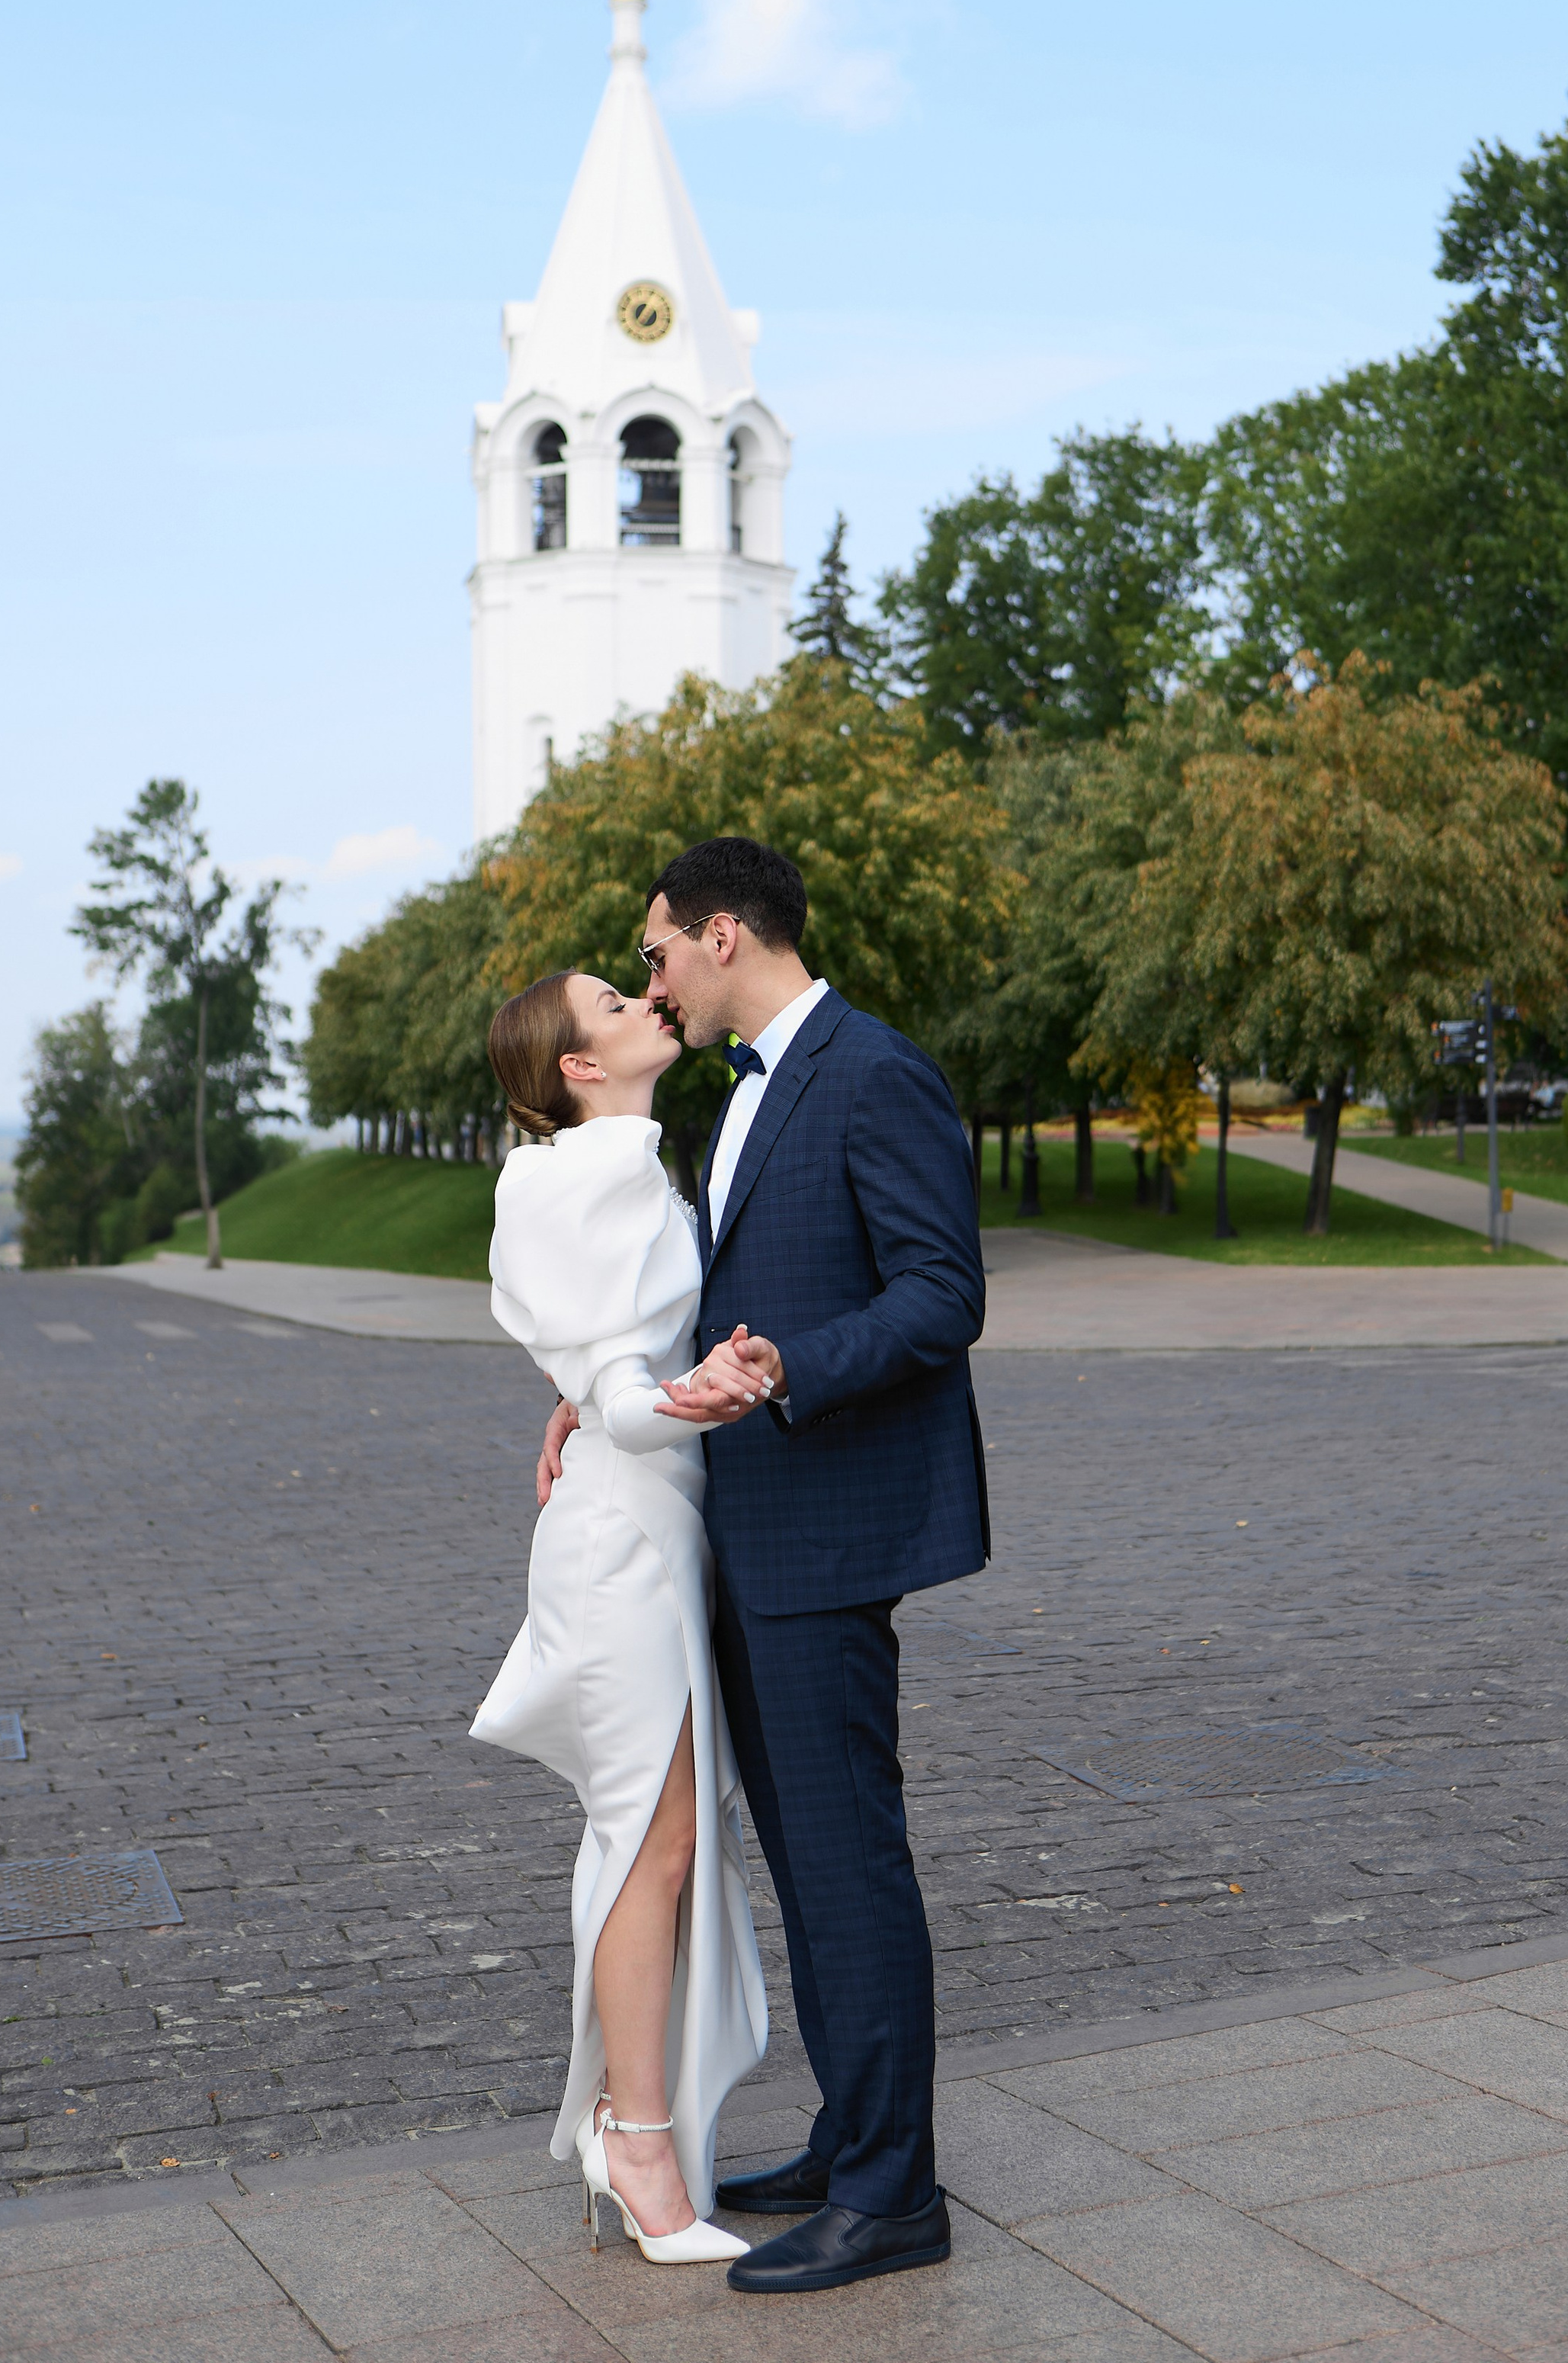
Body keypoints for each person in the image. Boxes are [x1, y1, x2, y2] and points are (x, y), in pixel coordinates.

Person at [537, 835, 989, 2297]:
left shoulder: (873, 1069)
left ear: (722, 934)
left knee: (849, 1864)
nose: (654, 976)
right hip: (748, 1533)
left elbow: (943, 1292)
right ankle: (854, 2139)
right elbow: (714, 1290)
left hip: (826, 1532)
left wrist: (793, 1366)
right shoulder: (743, 1090)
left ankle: (892, 2197)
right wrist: (600, 1393)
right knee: (807, 1863)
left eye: (657, 949)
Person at [470, 968, 771, 2265]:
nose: (648, 999)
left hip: (652, 1529)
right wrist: (699, 1392)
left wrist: (627, 1392)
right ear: (578, 1066)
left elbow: (610, 1372)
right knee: (650, 1844)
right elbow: (625, 1396)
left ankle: (633, 2120)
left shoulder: (622, 1165)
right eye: (614, 1000)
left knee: (661, 1843)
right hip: (618, 1546)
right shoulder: (571, 1179)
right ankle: (634, 2139)